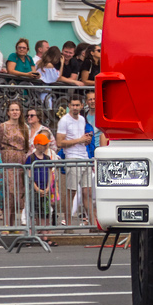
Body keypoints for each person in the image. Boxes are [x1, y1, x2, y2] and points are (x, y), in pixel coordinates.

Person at [57, 97, 93, 226]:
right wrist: (80, 140)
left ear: (82, 106)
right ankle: (68, 224)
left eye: (77, 105)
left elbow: (81, 139)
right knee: (71, 192)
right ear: (69, 106)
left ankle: (92, 224)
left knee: (87, 192)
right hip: (72, 158)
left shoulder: (82, 119)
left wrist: (86, 140)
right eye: (73, 105)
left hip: (84, 157)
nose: (75, 108)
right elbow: (60, 142)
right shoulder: (64, 121)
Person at [26, 133, 58, 243]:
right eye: (43, 145)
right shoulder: (31, 158)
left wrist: (48, 187)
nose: (45, 147)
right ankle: (32, 235)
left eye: (46, 145)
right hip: (35, 188)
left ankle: (44, 235)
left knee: (45, 212)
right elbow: (29, 175)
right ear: (36, 145)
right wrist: (36, 188)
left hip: (45, 187)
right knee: (34, 211)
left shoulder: (48, 158)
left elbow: (50, 173)